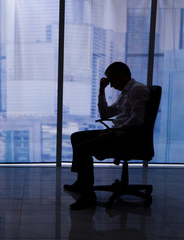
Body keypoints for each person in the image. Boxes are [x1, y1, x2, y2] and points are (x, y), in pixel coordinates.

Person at [63, 61, 150, 210]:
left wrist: (112, 131)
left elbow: (137, 120)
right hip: (118, 133)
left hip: (127, 137)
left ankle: (89, 196)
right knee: (76, 137)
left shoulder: (138, 89)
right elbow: (105, 114)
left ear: (122, 74)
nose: (110, 85)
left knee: (83, 148)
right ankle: (81, 183)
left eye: (111, 80)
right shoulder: (125, 92)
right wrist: (101, 90)